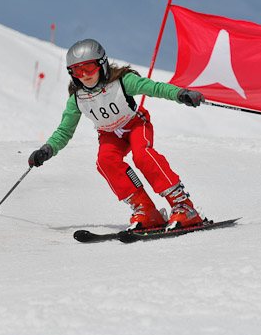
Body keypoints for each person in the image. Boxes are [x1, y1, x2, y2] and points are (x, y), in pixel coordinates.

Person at [28, 39, 205, 230]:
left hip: (135, 124)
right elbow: (64, 131)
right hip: (109, 135)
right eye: (77, 71)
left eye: (88, 67)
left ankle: (184, 206)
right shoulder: (77, 99)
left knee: (142, 155)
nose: (84, 75)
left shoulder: (122, 82)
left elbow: (155, 88)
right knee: (105, 161)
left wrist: (181, 94)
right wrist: (47, 149)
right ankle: (146, 210)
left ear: (102, 64)